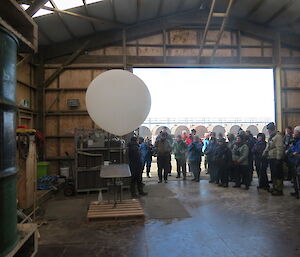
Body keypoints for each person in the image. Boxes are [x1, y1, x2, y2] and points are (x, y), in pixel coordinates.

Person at [263, 122, 285, 196]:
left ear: (272, 129)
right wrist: (264, 154)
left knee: (278, 174)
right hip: (271, 158)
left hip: (276, 158)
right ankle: (275, 187)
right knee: (274, 174)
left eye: (269, 129)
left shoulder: (278, 136)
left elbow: (280, 148)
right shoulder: (272, 136)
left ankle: (279, 189)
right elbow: (268, 146)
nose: (268, 131)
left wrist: (279, 159)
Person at [286, 126, 300, 198]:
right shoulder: (295, 140)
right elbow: (290, 148)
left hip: (297, 162)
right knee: (295, 178)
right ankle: (296, 191)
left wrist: (291, 152)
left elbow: (296, 152)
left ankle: (298, 193)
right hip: (292, 162)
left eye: (295, 131)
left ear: (298, 132)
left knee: (298, 179)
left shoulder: (299, 141)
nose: (294, 133)